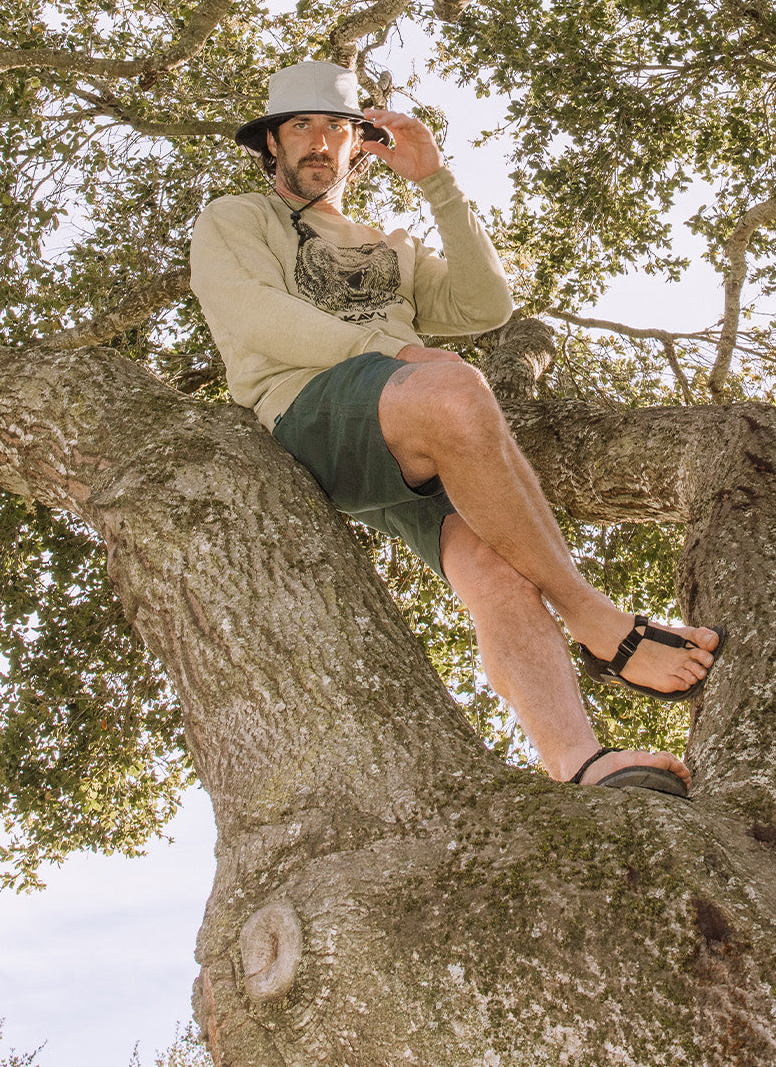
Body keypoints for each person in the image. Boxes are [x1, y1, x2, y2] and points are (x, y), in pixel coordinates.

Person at [191, 61, 723, 799]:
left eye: (337, 127)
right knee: (453, 388)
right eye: (301, 126)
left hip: (404, 435)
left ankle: (579, 762)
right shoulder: (236, 217)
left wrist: (436, 183)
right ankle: (593, 616)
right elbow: (253, 316)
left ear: (358, 144)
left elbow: (485, 305)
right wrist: (397, 355)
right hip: (308, 411)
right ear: (271, 144)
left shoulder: (388, 244)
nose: (319, 141)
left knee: (496, 566)